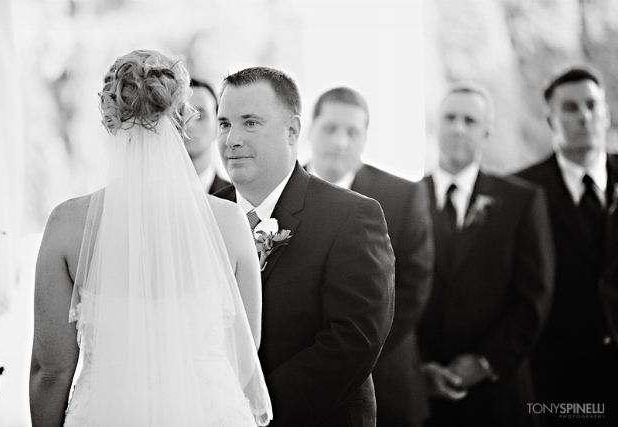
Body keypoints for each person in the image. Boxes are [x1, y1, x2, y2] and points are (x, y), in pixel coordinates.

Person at [29, 50, 272, 427]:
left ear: (108, 119)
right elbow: (245, 352)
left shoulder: (67, 224)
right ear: (184, 117)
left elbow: (51, 372)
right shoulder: (229, 222)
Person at [214, 67, 395, 426]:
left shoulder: (351, 216)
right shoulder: (204, 216)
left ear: (292, 131)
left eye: (250, 123)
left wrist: (254, 411)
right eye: (224, 124)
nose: (231, 139)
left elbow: (354, 339)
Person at [417, 82, 554, 426]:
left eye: (470, 120)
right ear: (435, 125)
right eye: (450, 118)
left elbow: (535, 295)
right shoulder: (405, 200)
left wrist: (484, 362)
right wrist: (418, 365)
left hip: (498, 395)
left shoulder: (522, 201)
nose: (458, 128)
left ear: (487, 133)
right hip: (421, 396)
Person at [307, 87, 433, 427]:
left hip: (385, 380)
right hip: (296, 383)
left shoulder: (403, 197)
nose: (340, 142)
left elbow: (413, 288)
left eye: (352, 132)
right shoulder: (281, 191)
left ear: (365, 139)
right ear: (309, 129)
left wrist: (354, 353)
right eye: (330, 128)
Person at [515, 66, 618, 426]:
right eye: (570, 108)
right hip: (557, 379)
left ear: (607, 113)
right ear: (551, 121)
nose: (584, 117)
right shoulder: (522, 192)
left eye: (592, 105)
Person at [183, 77, 230, 193]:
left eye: (199, 116)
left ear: (219, 126)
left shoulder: (237, 199)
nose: (188, 125)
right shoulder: (147, 195)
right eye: (179, 115)